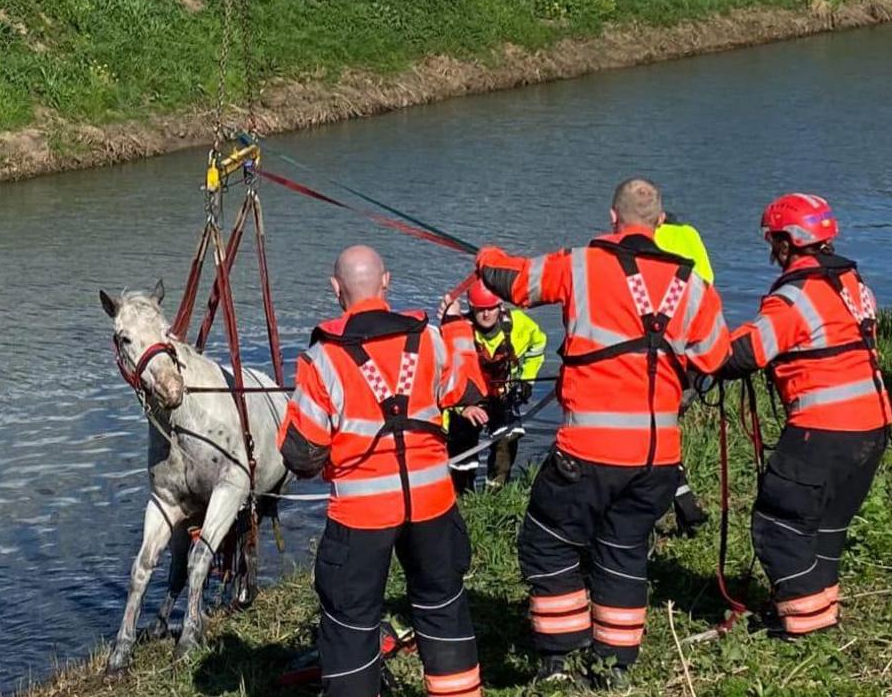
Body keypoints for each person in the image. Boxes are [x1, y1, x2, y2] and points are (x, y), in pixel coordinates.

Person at [474, 178, 731, 686]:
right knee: (624, 549)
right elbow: (715, 357)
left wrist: (486, 255)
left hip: (590, 451)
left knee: (546, 543)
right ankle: (614, 666)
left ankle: (562, 654)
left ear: (612, 219)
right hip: (659, 458)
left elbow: (515, 281)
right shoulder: (690, 284)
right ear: (661, 224)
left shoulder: (581, 265)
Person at [279, 245, 486, 697]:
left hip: (362, 517)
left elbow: (302, 455)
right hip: (433, 505)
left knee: (351, 623)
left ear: (336, 289)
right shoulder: (429, 338)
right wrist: (456, 327)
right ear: (386, 282)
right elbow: (467, 386)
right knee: (442, 607)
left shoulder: (322, 359)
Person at [717, 194, 892, 638]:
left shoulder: (796, 294)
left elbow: (746, 352)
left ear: (787, 241)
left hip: (824, 429)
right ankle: (822, 607)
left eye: (773, 240)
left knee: (780, 522)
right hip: (873, 424)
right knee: (827, 524)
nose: (771, 249)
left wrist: (697, 354)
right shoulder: (852, 282)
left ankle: (806, 625)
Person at [441, 279, 547, 492]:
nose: (486, 315)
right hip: (467, 402)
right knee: (462, 455)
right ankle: (463, 497)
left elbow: (538, 346)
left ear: (500, 306)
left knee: (508, 438)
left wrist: (526, 380)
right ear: (471, 308)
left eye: (491, 308)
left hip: (502, 395)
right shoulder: (459, 331)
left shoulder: (520, 325)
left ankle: (495, 494)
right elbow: (445, 379)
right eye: (480, 310)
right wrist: (462, 408)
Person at [655, 212, 715, 536]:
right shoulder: (692, 238)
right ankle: (685, 505)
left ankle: (669, 509)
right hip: (692, 359)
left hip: (658, 361)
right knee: (664, 434)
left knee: (648, 440)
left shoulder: (650, 241)